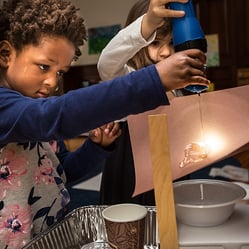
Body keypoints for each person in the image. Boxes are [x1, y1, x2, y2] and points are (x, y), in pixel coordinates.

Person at [0, 0, 209, 248]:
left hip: (47, 234)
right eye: (44, 67)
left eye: (60, 73)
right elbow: (49, 116)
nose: (53, 82)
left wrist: (95, 148)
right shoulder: (7, 107)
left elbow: (63, 172)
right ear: (5, 54)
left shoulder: (41, 113)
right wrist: (155, 80)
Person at [97, 0, 199, 205]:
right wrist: (148, 24)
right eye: (155, 43)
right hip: (132, 171)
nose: (165, 52)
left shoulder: (178, 86)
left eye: (171, 43)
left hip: (171, 168)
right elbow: (106, 64)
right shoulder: (128, 78)